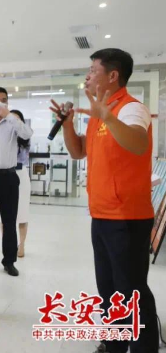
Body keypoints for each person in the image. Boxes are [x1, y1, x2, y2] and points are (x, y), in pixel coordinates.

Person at [50, 48, 158, 353]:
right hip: (102, 214)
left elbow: (138, 143)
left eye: (92, 70)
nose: (87, 76)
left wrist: (108, 117)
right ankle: (114, 343)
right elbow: (78, 152)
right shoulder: (101, 113)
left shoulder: (131, 108)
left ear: (113, 75)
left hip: (127, 217)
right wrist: (68, 124)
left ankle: (143, 347)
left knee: (131, 290)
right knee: (109, 289)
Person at [0, 88, 33, 277]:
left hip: (9, 177)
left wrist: (10, 116)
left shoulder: (13, 123)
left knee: (9, 221)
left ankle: (9, 261)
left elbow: (27, 134)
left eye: (3, 100)